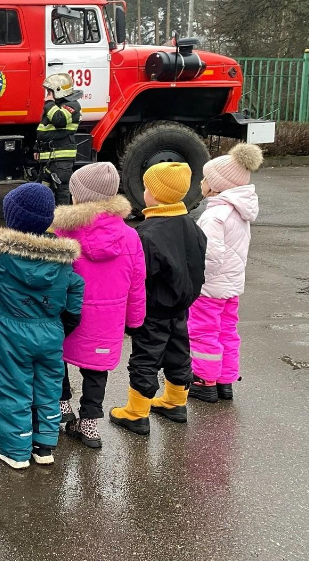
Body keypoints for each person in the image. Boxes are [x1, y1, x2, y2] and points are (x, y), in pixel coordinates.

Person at [0, 183, 84, 469]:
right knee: (48, 389)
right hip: (50, 331)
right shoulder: (64, 262)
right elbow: (75, 293)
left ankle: (15, 450)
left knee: (11, 388)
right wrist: (64, 324)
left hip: (11, 334)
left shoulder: (2, 260)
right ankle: (44, 446)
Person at [51, 162, 146, 448]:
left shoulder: (63, 233)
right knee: (96, 371)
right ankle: (90, 424)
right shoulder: (130, 236)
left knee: (58, 358)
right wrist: (135, 320)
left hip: (70, 315)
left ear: (79, 196)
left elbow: (55, 278)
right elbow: (137, 283)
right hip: (109, 320)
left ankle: (63, 406)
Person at [110, 162, 207, 434]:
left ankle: (136, 412)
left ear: (157, 194)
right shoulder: (192, 225)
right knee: (179, 350)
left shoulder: (147, 234)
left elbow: (138, 276)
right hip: (182, 304)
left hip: (154, 309)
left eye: (147, 188)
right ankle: (176, 402)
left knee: (146, 357)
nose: (143, 192)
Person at [188, 143, 264, 403]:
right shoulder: (239, 212)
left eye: (206, 179)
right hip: (232, 286)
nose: (201, 183)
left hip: (209, 288)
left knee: (203, 332)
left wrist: (193, 277)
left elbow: (209, 256)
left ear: (219, 185)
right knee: (227, 330)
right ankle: (225, 380)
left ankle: (204, 381)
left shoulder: (214, 216)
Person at [35, 73, 82, 206]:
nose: (47, 95)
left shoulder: (72, 105)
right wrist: (36, 148)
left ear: (58, 90)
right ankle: (47, 220)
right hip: (50, 158)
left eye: (50, 91)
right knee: (42, 190)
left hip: (61, 159)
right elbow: (43, 130)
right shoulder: (54, 106)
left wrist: (49, 103)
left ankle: (63, 222)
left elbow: (59, 120)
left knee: (61, 190)